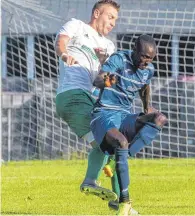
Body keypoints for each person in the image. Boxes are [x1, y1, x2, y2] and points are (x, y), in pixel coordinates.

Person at [91, 34, 168, 215]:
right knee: (122, 143)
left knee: (160, 119)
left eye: (150, 58)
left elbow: (145, 86)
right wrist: (108, 80)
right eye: (143, 56)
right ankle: (124, 202)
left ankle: (119, 159)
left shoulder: (149, 70)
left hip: (123, 117)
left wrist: (147, 106)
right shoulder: (119, 59)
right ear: (135, 51)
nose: (146, 61)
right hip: (103, 114)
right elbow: (97, 80)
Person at [54, 0, 121, 203]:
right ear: (97, 13)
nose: (113, 23)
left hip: (91, 100)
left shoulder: (109, 46)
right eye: (110, 17)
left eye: (115, 20)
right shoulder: (77, 26)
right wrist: (65, 55)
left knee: (115, 146)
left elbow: (106, 82)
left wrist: (104, 65)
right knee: (110, 144)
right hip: (73, 95)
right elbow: (60, 42)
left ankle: (118, 200)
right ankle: (96, 185)